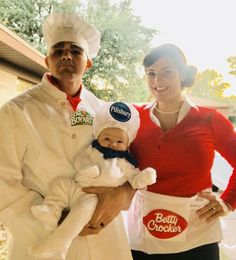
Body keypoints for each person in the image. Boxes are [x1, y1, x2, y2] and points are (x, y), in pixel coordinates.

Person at [0, 12, 134, 260]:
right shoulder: (16, 111)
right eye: (57, 50)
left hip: (103, 235)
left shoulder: (103, 111)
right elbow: (3, 183)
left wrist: (124, 192)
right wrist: (57, 222)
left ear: (88, 63)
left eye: (75, 50)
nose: (66, 55)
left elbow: (126, 161)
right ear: (46, 60)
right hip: (42, 236)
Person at [125, 44, 236, 260]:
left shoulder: (210, 120)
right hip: (144, 235)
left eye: (167, 71)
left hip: (198, 236)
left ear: (182, 75)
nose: (157, 81)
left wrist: (228, 202)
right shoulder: (133, 118)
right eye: (151, 73)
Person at [29, 101, 156, 259]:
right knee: (60, 184)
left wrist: (142, 179)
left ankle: (57, 242)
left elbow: (134, 181)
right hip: (76, 187)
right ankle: (50, 210)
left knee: (83, 210)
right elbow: (80, 159)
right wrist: (87, 168)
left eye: (119, 142)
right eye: (107, 139)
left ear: (127, 144)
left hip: (95, 199)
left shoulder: (125, 161)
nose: (113, 144)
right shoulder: (92, 149)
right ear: (98, 136)